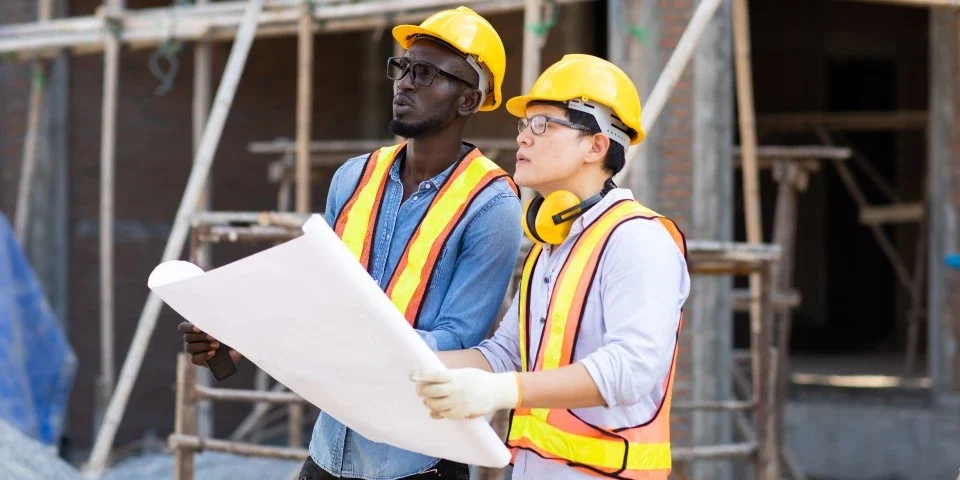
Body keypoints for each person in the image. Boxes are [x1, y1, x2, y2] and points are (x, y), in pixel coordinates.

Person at [180, 7, 522, 479]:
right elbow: (320, 295)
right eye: (402, 67)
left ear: (468, 100)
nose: (404, 83)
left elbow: (456, 343)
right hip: (330, 449)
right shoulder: (355, 177)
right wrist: (242, 335)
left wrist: (329, 342)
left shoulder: (493, 207)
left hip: (416, 461)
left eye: (425, 73)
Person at [411, 54, 691, 480]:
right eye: (524, 125)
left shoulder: (637, 239)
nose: (524, 138)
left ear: (596, 145)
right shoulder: (551, 248)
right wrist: (410, 360)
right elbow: (504, 355)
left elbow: (631, 367)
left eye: (542, 124)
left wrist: (501, 390)